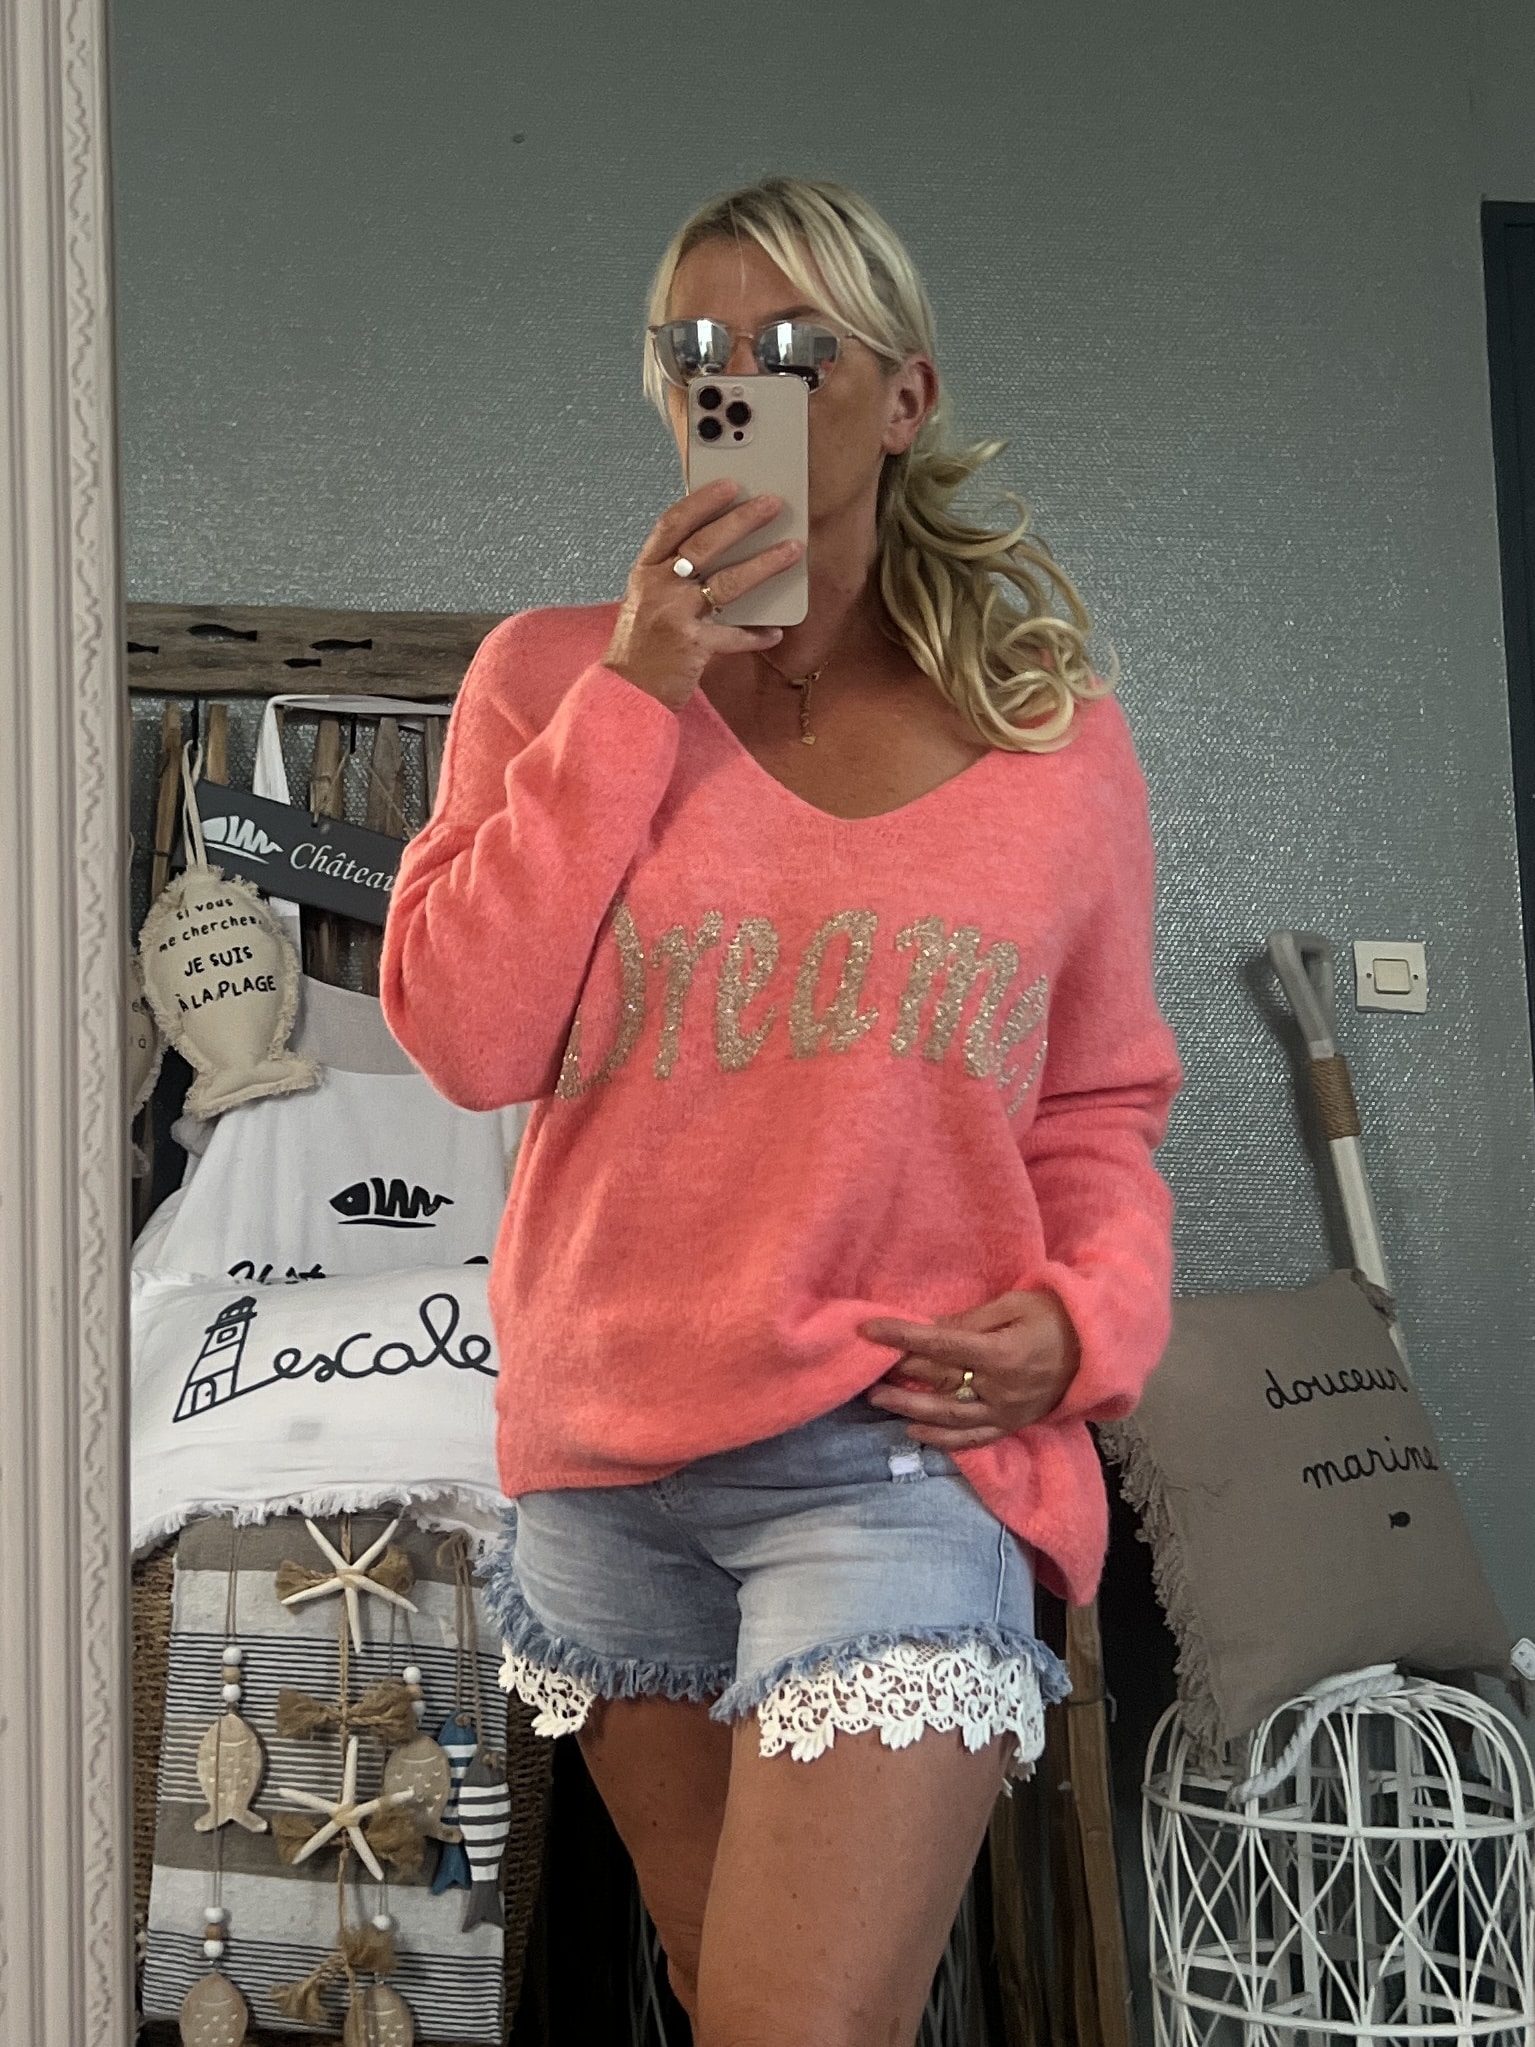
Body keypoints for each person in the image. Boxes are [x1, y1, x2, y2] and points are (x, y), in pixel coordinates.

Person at [380, 174, 1182, 2047]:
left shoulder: (1051, 736)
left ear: (904, 396)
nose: (733, 378)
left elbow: (1098, 1104)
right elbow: (470, 1036)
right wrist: (637, 691)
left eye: (795, 345)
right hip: (604, 1467)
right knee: (718, 1985)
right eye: (696, 347)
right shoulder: (549, 679)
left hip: (887, 1455)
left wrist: (1086, 1322)